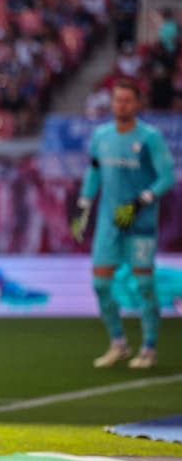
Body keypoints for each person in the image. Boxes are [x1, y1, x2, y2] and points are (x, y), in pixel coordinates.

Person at [71, 79, 176, 369]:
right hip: (110, 221)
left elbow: (167, 177)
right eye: (117, 100)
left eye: (128, 100)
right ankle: (118, 343)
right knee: (100, 284)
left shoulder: (149, 137)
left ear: (138, 104)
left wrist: (140, 202)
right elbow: (94, 172)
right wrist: (84, 205)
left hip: (140, 221)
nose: (121, 105)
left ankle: (149, 348)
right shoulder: (101, 136)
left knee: (144, 283)